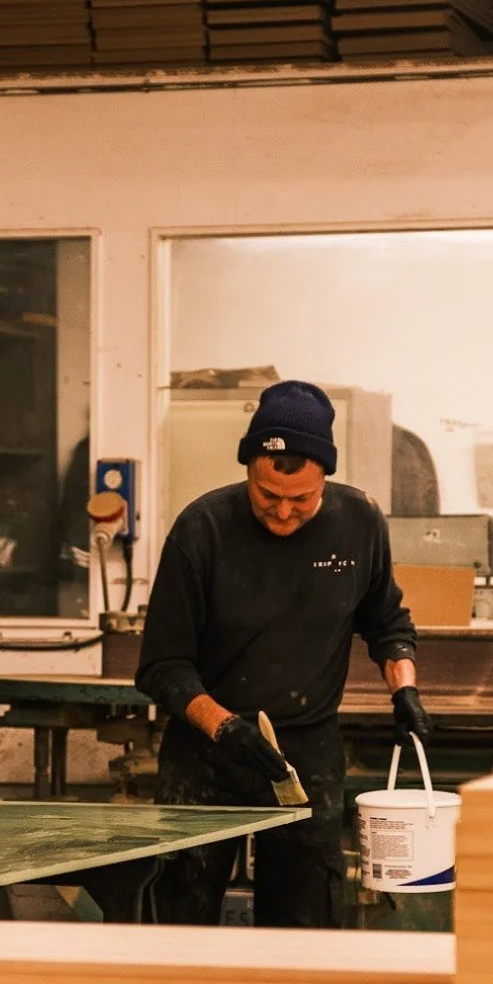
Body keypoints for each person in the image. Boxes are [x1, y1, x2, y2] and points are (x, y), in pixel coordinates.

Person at [135, 379, 433, 929]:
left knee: (305, 920)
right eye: (266, 495)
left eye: (302, 499)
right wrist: (226, 728)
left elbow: (386, 622)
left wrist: (405, 690)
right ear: (249, 469)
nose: (283, 512)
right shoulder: (202, 530)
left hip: (306, 752)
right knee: (181, 911)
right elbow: (161, 667)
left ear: (326, 476)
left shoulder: (360, 522)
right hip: (207, 749)